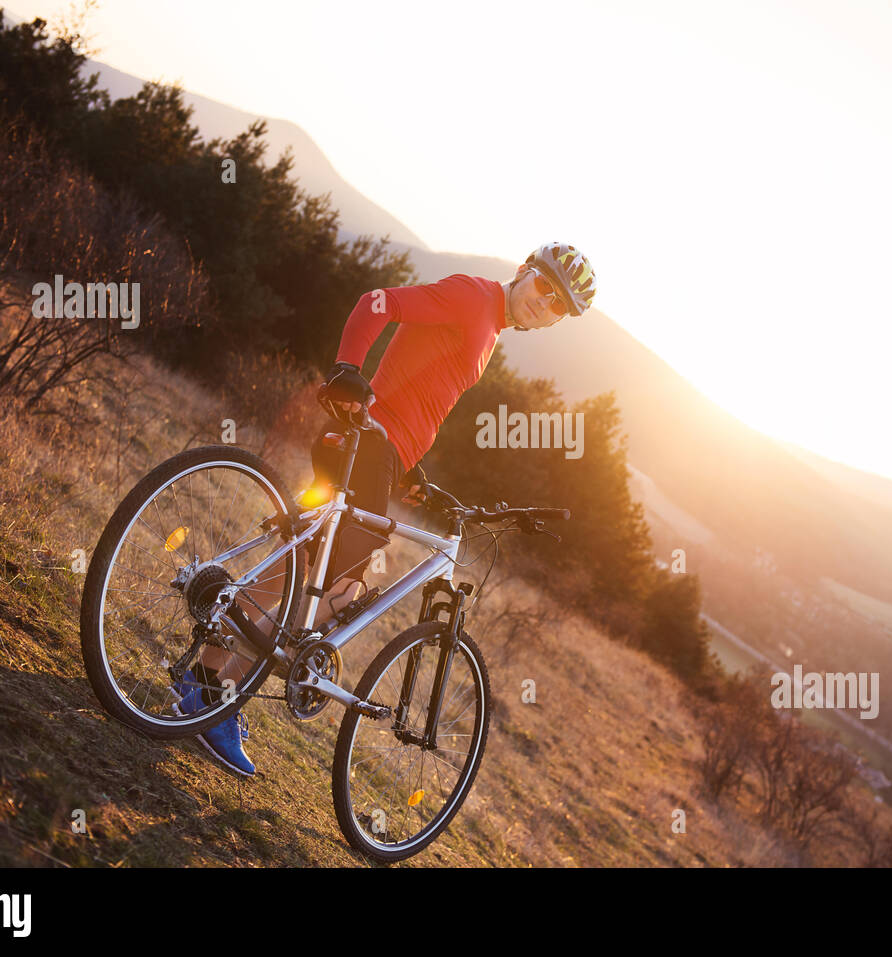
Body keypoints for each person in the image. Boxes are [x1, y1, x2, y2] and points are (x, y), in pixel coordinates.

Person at [178, 243, 597, 776]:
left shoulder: (490, 329)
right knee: (326, 581)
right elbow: (377, 302)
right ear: (523, 272)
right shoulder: (473, 297)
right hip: (368, 442)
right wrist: (348, 368)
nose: (546, 303)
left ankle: (207, 682)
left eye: (559, 304)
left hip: (382, 452)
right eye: (545, 285)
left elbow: (418, 391)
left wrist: (410, 470)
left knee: (328, 579)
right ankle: (210, 691)